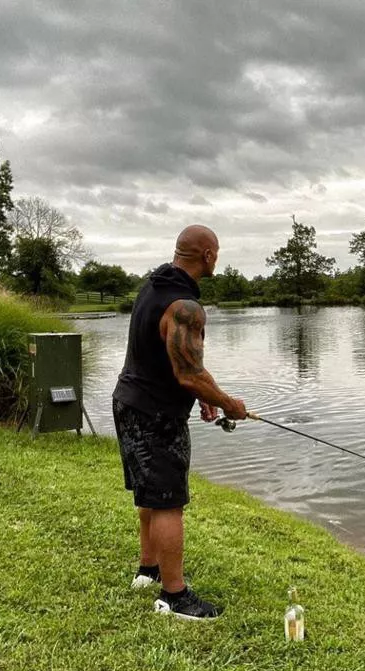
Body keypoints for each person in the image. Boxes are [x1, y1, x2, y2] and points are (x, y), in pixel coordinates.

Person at [112, 225, 247, 620]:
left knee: (149, 492)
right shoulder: (185, 306)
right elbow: (188, 373)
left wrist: (200, 398)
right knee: (169, 501)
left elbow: (169, 362)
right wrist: (227, 403)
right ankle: (174, 596)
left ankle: (148, 569)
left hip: (128, 402)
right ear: (207, 255)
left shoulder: (153, 286)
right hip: (155, 414)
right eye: (216, 253)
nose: (217, 259)